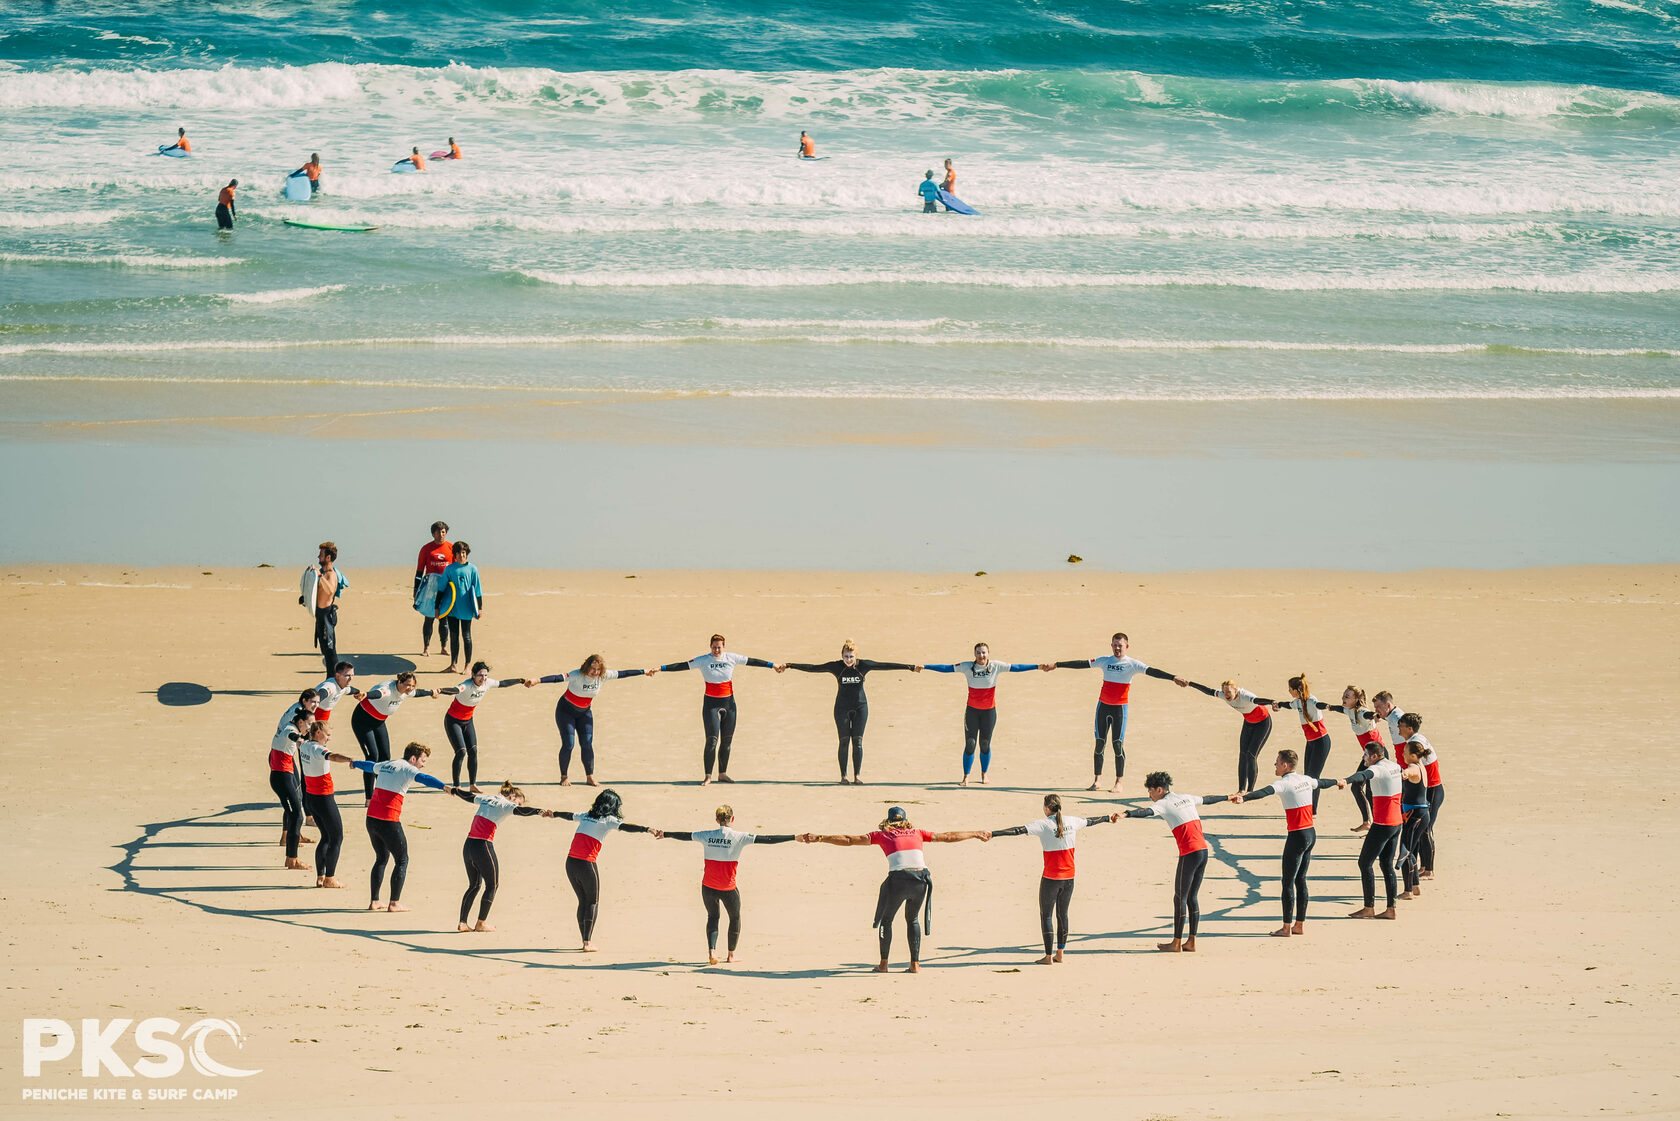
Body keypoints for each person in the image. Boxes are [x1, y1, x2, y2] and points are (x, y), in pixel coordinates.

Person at [798, 807, 988, 973]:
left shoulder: (882, 835)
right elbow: (948, 837)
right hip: (921, 879)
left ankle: (883, 965)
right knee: (912, 919)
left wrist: (820, 838)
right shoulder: (918, 833)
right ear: (906, 822)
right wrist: (974, 833)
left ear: (888, 821)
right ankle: (915, 965)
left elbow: (849, 840)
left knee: (886, 920)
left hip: (899, 880)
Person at [653, 805, 796, 965]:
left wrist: (665, 834)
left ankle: (712, 952)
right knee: (735, 918)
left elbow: (685, 835)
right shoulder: (741, 837)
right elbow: (768, 839)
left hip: (708, 886)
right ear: (732, 819)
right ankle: (731, 955)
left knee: (713, 917)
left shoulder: (706, 835)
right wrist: (794, 837)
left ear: (716, 820)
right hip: (728, 888)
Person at [1049, 632, 1189, 793]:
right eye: (1114, 645)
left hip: (1119, 709)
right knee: (1099, 742)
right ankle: (1097, 780)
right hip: (1103, 707)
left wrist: (1173, 678)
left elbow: (1153, 671)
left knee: (1117, 744)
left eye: (1120, 645)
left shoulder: (1133, 664)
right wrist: (1057, 664)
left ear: (1126, 646)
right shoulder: (1105, 661)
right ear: (1111, 646)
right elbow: (1081, 663)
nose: (1117, 648)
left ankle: (1119, 782)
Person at [987, 794, 1118, 964]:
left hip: (1051, 878)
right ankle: (1060, 954)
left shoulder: (1043, 824)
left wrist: (993, 834)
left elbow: (1017, 830)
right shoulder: (1072, 821)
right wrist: (1109, 818)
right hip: (1069, 878)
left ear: (1046, 808)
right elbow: (1092, 820)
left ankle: (1048, 957)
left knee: (1046, 916)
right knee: (1063, 915)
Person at [1229, 749, 1338, 937]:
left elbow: (1263, 792)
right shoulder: (1306, 780)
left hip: (1297, 836)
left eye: (1277, 762)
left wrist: (1243, 797)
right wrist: (1339, 782)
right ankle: (1299, 925)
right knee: (1301, 880)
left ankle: (1286, 927)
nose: (1275, 765)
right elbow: (1323, 783)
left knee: (1287, 882)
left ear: (1286, 765)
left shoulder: (1284, 784)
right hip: (1311, 834)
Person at [785, 640, 919, 783]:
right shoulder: (836, 667)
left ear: (856, 656)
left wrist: (910, 667)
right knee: (844, 742)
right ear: (842, 656)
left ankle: (857, 776)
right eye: (846, 656)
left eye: (851, 657)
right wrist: (790, 665)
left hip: (860, 707)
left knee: (858, 742)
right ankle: (843, 776)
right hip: (841, 708)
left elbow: (885, 665)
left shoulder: (864, 666)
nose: (848, 660)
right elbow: (813, 668)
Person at [1122, 771, 1228, 952]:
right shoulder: (1186, 797)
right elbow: (1208, 799)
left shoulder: (1163, 804)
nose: (1149, 795)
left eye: (1150, 791)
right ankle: (1191, 941)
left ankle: (1176, 942)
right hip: (1203, 850)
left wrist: (1127, 813)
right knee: (1192, 897)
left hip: (1189, 853)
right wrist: (1227, 797)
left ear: (1159, 789)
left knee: (1180, 897)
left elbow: (1146, 812)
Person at [658, 635, 783, 785]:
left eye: (719, 647)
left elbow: (753, 661)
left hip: (729, 705)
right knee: (711, 741)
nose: (716, 650)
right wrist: (660, 668)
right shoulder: (703, 660)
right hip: (711, 705)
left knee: (727, 741)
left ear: (724, 647)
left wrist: (773, 665)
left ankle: (722, 774)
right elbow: (681, 665)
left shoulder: (731, 658)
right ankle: (708, 776)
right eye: (714, 647)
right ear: (710, 646)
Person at [923, 643, 1045, 786]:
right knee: (970, 744)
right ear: (974, 654)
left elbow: (1017, 667)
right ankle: (966, 776)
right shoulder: (967, 666)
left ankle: (984, 774)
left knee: (985, 744)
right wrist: (925, 667)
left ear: (988, 653)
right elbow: (946, 668)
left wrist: (1038, 666)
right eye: (979, 653)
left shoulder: (996, 666)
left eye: (984, 652)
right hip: (972, 712)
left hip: (989, 712)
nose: (981, 655)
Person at [533, 655, 660, 786]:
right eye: (592, 668)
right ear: (586, 667)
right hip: (565, 712)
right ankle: (564, 777)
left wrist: (643, 671)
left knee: (587, 743)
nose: (595, 672)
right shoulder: (577, 674)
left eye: (598, 669)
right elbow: (557, 678)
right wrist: (537, 680)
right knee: (569, 744)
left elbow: (624, 673)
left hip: (584, 713)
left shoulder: (603, 676)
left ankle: (590, 777)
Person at [349, 742, 447, 912]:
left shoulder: (387, 764)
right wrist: (444, 786)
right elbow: (425, 779)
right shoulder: (408, 768)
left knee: (381, 858)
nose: (423, 765)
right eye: (422, 761)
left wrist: (355, 763)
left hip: (371, 819)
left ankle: (374, 901)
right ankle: (394, 903)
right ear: (413, 758)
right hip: (389, 820)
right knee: (402, 860)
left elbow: (370, 766)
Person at [552, 789, 652, 951]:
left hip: (570, 863)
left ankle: (584, 939)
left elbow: (568, 815)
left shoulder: (585, 815)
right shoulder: (608, 820)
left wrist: (553, 813)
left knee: (582, 901)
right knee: (592, 901)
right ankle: (587, 942)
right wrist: (646, 829)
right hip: (586, 864)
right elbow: (626, 827)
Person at [449, 780, 552, 932]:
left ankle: (463, 922)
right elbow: (521, 812)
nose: (518, 805)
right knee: (492, 885)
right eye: (518, 802)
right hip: (483, 846)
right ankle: (481, 923)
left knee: (474, 885)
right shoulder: (506, 804)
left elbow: (468, 796)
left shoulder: (488, 798)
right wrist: (538, 811)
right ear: (512, 796)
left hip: (468, 845)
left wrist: (453, 791)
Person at [435, 662, 530, 790]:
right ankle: (456, 786)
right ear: (473, 675)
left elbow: (503, 684)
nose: (483, 678)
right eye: (480, 675)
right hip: (453, 721)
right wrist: (440, 690)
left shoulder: (488, 683)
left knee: (473, 751)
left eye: (485, 675)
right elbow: (454, 690)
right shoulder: (466, 685)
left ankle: (472, 785)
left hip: (468, 721)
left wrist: (520, 680)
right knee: (461, 752)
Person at [1337, 742, 1403, 920]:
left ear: (1374, 756)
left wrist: (1346, 780)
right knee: (1386, 865)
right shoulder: (1395, 766)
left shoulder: (1379, 769)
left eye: (1366, 755)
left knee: (1365, 863)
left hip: (1382, 824)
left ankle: (1369, 907)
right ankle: (1391, 908)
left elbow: (1363, 775)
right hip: (1397, 823)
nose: (1364, 758)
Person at [351, 673, 440, 801]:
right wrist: (366, 694)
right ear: (399, 682)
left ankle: (381, 792)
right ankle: (369, 798)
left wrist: (432, 692)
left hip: (379, 722)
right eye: (407, 685)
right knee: (372, 757)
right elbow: (378, 693)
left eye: (412, 685)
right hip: (362, 721)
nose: (410, 688)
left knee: (385, 757)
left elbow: (418, 693)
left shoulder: (406, 691)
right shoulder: (387, 688)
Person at [1180, 679, 1276, 793]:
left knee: (1251, 755)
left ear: (1236, 690)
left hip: (1263, 723)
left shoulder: (1245, 696)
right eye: (1224, 692)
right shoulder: (1223, 695)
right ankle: (1241, 789)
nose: (1226, 695)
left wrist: (1272, 702)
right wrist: (1191, 683)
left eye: (1229, 692)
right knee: (1242, 755)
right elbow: (1209, 691)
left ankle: (1250, 791)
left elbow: (1258, 700)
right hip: (1248, 723)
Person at [293, 719, 357, 888]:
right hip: (324, 798)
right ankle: (330, 878)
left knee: (326, 837)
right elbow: (333, 756)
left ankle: (320, 876)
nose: (329, 738)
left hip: (311, 798)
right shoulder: (318, 749)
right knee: (337, 837)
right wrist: (349, 759)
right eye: (328, 735)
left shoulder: (305, 746)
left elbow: (297, 741)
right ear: (319, 732)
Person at [1323, 686, 1383, 832]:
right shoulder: (1349, 710)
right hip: (1368, 756)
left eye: (1347, 697)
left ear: (1356, 699)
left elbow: (1368, 714)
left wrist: (1375, 716)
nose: (1343, 698)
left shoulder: (1361, 712)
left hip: (1378, 757)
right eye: (1343, 695)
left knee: (1370, 791)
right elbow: (1341, 709)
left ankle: (1378, 826)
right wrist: (1330, 707)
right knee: (1356, 787)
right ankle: (1368, 822)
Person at [1271, 674, 1333, 809]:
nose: (1289, 691)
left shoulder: (1311, 700)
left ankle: (1313, 811)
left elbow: (1319, 705)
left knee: (1313, 778)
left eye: (1290, 689)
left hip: (1321, 742)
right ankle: (1309, 806)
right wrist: (1279, 704)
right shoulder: (1298, 701)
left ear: (1296, 690)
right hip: (1310, 742)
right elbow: (1289, 705)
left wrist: (1328, 706)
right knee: (1307, 775)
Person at [1397, 712, 1443, 878]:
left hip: (1432, 790)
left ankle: (1428, 868)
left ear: (1409, 728)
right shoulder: (1416, 740)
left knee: (1426, 829)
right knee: (1423, 829)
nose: (1398, 729)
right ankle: (1421, 866)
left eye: (1400, 726)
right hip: (1427, 789)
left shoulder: (1414, 744)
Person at [269, 708, 314, 870]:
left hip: (283, 776)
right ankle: (292, 860)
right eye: (308, 724)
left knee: (295, 813)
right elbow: (292, 736)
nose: (309, 727)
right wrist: (299, 739)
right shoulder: (290, 730)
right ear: (300, 722)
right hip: (282, 778)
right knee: (297, 816)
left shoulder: (291, 725)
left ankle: (290, 853)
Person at [1396, 737, 1432, 901]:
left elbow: (1409, 772)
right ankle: (1415, 886)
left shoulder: (1412, 767)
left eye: (1405, 752)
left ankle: (1408, 890)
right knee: (1413, 850)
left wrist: (1402, 774)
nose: (1403, 754)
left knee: (1406, 851)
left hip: (1415, 816)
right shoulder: (1421, 765)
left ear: (1412, 755)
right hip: (1421, 814)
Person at [304, 542, 347, 676]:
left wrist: (318, 576)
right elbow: (314, 593)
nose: (318, 557)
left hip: (326, 616)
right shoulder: (324, 573)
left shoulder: (330, 575)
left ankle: (334, 678)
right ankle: (332, 678)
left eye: (321, 554)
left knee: (330, 651)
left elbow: (329, 590)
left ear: (328, 557)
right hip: (320, 615)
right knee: (325, 650)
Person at [440, 541, 482, 675]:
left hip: (467, 608)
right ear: (455, 554)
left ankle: (468, 666)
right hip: (452, 608)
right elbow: (441, 589)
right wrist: (437, 607)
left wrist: (479, 608)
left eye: (463, 553)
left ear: (467, 554)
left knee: (466, 636)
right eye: (458, 553)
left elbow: (478, 590)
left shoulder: (473, 569)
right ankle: (453, 665)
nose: (461, 555)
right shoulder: (449, 569)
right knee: (454, 636)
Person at [414, 521, 452, 657]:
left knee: (444, 619)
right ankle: (426, 647)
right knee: (429, 618)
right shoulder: (426, 549)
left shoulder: (451, 548)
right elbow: (419, 571)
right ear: (433, 533)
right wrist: (416, 591)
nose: (440, 535)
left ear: (446, 533)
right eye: (437, 532)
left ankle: (444, 647)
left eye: (443, 532)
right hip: (430, 589)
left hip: (446, 588)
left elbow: (455, 570)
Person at [310, 661, 363, 728]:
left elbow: (350, 690)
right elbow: (321, 694)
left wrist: (358, 692)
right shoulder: (331, 686)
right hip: (313, 712)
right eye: (347, 675)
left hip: (324, 714)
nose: (351, 679)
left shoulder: (343, 685)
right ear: (337, 676)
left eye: (352, 675)